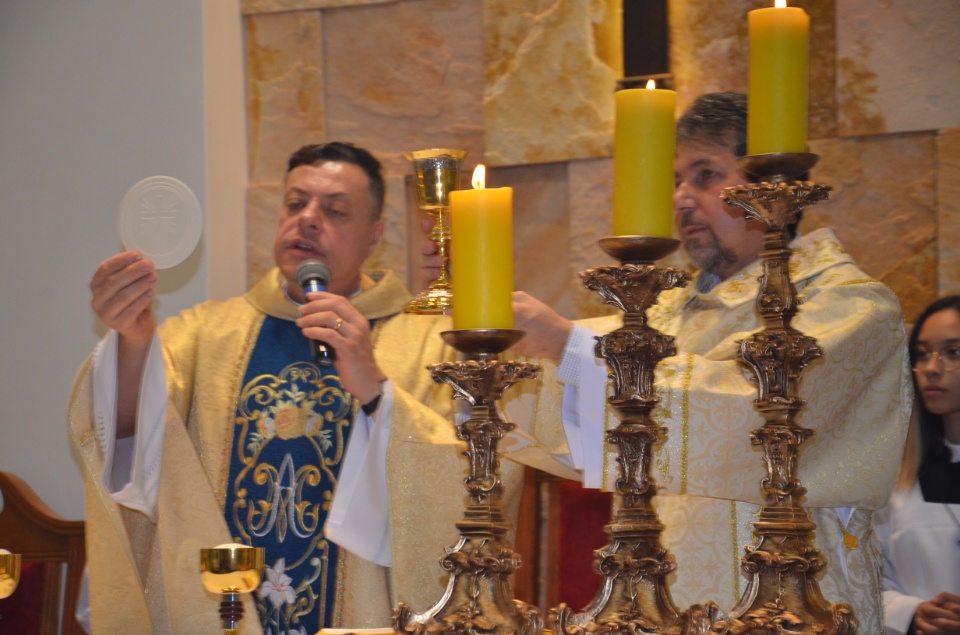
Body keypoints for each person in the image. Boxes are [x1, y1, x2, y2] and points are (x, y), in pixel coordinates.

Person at [68, 142, 570, 634]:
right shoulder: (203, 335)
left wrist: (377, 393)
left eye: (334, 210)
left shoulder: (429, 342)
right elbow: (134, 449)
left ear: (375, 238)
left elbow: (471, 483)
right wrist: (132, 339)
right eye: (295, 203)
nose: (308, 218)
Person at [499, 93, 912, 632]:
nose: (681, 199)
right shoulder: (669, 312)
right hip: (660, 604)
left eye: (705, 175)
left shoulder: (851, 306)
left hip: (795, 607)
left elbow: (753, 412)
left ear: (773, 185)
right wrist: (495, 358)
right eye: (676, 179)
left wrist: (570, 348)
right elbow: (581, 433)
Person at [876, 295, 960, 635]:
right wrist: (912, 614)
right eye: (922, 354)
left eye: (953, 353)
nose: (931, 368)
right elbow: (863, 576)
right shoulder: (895, 477)